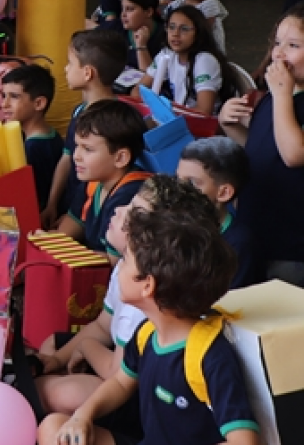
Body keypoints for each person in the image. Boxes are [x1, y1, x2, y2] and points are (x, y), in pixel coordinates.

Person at [37, 207, 261, 445]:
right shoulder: (146, 333)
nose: (118, 269)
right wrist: (83, 416)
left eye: (125, 261)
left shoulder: (210, 356)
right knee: (53, 428)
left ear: (147, 285)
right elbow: (121, 383)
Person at [37, 175, 221, 418]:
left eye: (135, 212)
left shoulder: (143, 299)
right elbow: (102, 327)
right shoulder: (125, 269)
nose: (119, 211)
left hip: (133, 393)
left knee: (52, 392)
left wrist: (85, 347)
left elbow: (115, 374)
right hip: (114, 361)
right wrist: (58, 360)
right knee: (51, 348)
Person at [220, 4, 304, 287]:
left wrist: (282, 96)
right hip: (254, 230)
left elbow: (293, 155)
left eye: (293, 45)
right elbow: (263, 150)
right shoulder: (274, 95)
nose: (279, 53)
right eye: (277, 43)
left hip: (290, 244)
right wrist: (230, 126)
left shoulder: (281, 95)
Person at [44, 30, 129, 229]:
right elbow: (67, 157)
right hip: (71, 205)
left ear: (88, 72)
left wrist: (74, 217)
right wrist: (52, 204)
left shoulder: (115, 122)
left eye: (70, 63)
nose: (65, 69)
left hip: (90, 214)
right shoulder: (79, 110)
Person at [56, 100, 149, 256]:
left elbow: (114, 262)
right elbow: (70, 227)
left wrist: (61, 252)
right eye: (77, 145)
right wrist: (47, 241)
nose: (76, 156)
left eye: (88, 149)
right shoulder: (94, 182)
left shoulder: (131, 196)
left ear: (120, 158)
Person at [177, 137, 260, 289]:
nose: (178, 190)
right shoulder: (174, 229)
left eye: (191, 183)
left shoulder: (238, 244)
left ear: (224, 193)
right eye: (177, 180)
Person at [138, 4, 237, 116]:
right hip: (179, 117)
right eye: (171, 27)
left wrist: (165, 113)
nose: (175, 34)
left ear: (198, 32)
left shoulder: (204, 60)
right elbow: (138, 90)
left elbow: (203, 112)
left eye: (184, 29)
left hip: (202, 123)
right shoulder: (167, 54)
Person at [0, 64, 62, 210]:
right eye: (3, 96)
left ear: (39, 103)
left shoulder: (34, 148)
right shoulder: (50, 133)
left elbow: (35, 197)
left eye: (14, 97)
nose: (4, 104)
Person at [119, 0, 165, 75]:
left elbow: (149, 78)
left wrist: (141, 46)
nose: (123, 14)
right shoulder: (116, 28)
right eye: (122, 9)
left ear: (148, 12)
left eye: (130, 9)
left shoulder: (165, 36)